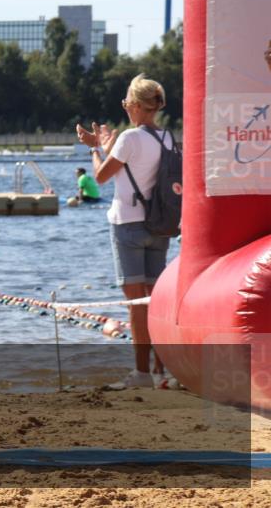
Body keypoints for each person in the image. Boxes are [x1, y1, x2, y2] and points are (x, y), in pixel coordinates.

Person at [76, 73, 172, 389]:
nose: (125, 107)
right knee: (155, 302)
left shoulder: (130, 138)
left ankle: (141, 374)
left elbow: (102, 176)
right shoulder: (167, 137)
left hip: (128, 225)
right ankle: (161, 371)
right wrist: (107, 144)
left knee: (136, 305)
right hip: (159, 225)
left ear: (136, 105)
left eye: (127, 102)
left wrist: (94, 149)